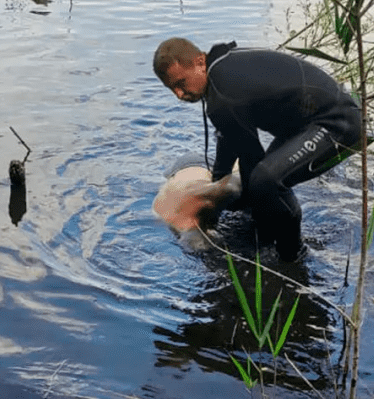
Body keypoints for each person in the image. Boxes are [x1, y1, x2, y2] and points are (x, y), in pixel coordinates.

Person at [153, 38, 362, 262]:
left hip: (337, 124)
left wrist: (234, 204)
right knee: (261, 182)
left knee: (267, 179)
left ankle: (291, 255)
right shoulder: (222, 75)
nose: (179, 94)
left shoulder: (222, 93)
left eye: (181, 83)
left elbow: (251, 158)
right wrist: (220, 182)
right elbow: (229, 140)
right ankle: (274, 241)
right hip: (307, 126)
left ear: (200, 62)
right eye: (172, 88)